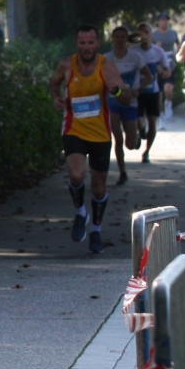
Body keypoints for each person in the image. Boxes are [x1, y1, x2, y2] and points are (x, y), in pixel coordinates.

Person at [49, 24, 130, 254]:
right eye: (82, 42)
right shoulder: (67, 64)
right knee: (76, 174)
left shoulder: (106, 66)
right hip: (73, 129)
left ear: (97, 43)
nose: (86, 47)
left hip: (100, 133)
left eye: (90, 42)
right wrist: (57, 97)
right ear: (77, 43)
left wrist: (115, 91)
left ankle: (96, 230)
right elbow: (54, 82)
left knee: (98, 188)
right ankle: (80, 212)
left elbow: (126, 98)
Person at [105, 25, 149, 184]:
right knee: (117, 138)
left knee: (130, 145)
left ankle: (137, 133)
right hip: (112, 102)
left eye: (122, 37)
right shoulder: (106, 58)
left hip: (130, 102)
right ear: (112, 39)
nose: (119, 40)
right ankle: (122, 172)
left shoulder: (135, 57)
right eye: (116, 37)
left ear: (127, 39)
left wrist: (138, 90)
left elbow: (148, 76)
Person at [134, 25, 167, 161]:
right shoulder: (133, 51)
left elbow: (167, 71)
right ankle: (141, 130)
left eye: (146, 32)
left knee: (152, 122)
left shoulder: (158, 51)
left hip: (153, 91)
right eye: (141, 33)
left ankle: (147, 152)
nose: (144, 35)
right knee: (138, 120)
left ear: (151, 34)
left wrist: (162, 71)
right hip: (137, 92)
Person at [151, 15, 180, 119]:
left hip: (170, 65)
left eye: (166, 20)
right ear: (158, 22)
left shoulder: (173, 33)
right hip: (157, 66)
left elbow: (178, 44)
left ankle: (168, 103)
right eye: (162, 20)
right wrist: (155, 47)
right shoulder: (153, 35)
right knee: (159, 93)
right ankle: (161, 114)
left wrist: (177, 53)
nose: (165, 22)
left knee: (168, 89)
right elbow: (148, 49)